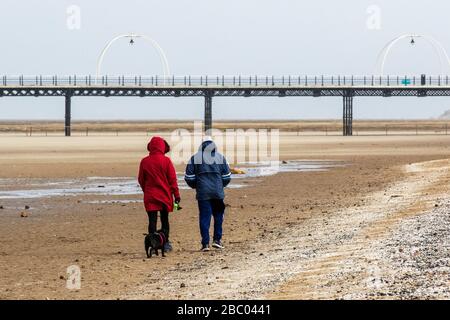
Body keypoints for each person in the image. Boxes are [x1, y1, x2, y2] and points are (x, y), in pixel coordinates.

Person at [184, 137, 231, 251]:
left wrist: (197, 186)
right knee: (218, 216)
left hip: (203, 193)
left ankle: (205, 244)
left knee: (205, 218)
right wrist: (220, 186)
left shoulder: (195, 158)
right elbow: (227, 177)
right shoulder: (220, 157)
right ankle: (217, 240)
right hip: (217, 193)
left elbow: (189, 177)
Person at [138, 136, 180, 252]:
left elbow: (141, 179)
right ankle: (165, 243)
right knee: (164, 220)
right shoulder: (166, 161)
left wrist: (146, 190)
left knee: (152, 221)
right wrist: (176, 195)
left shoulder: (144, 161)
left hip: (150, 195)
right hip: (164, 196)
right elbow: (172, 180)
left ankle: (152, 243)